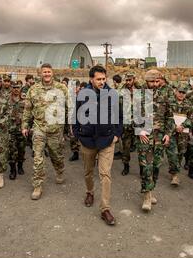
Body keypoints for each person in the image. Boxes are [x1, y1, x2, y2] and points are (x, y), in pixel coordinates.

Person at [73, 65, 123, 225]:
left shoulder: (112, 94)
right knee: (88, 172)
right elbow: (76, 116)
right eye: (98, 79)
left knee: (105, 174)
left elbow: (119, 117)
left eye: (104, 79)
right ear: (91, 79)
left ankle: (105, 209)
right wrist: (78, 134)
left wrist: (117, 134)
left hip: (107, 140)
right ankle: (90, 192)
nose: (102, 82)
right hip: (87, 140)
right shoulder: (83, 95)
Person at [22, 64, 68, 200]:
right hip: (39, 128)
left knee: (56, 155)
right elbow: (27, 109)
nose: (47, 74)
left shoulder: (61, 88)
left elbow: (70, 106)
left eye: (49, 72)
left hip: (55, 129)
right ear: (40, 74)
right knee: (37, 157)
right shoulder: (33, 89)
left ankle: (59, 171)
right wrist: (24, 125)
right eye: (44, 72)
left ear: (52, 73)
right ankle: (37, 185)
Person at [136, 70, 173, 212]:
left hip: (159, 137)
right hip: (145, 136)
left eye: (157, 81)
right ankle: (146, 195)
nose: (155, 84)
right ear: (146, 81)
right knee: (146, 166)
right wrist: (139, 130)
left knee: (156, 166)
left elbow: (170, 116)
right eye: (152, 82)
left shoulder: (166, 93)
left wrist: (168, 133)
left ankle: (151, 189)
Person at [170, 85, 193, 186]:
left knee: (180, 153)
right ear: (176, 92)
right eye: (179, 92)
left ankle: (175, 170)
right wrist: (174, 126)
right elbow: (165, 116)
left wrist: (183, 126)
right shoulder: (170, 102)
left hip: (183, 133)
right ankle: (174, 175)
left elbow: (192, 118)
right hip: (171, 131)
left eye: (183, 93)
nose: (181, 94)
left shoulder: (189, 104)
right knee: (172, 153)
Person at [119, 73, 140, 175]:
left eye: (129, 80)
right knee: (125, 147)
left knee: (141, 148)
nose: (128, 82)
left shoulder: (141, 90)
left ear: (134, 79)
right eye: (126, 80)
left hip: (138, 124)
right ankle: (126, 166)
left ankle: (143, 169)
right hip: (126, 124)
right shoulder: (121, 91)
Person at [8, 81, 26, 179]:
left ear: (20, 88)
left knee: (21, 149)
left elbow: (29, 113)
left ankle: (20, 166)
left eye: (17, 87)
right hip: (10, 130)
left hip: (22, 130)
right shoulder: (7, 100)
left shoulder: (24, 99)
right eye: (14, 87)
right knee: (11, 151)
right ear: (11, 88)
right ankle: (12, 170)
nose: (16, 89)